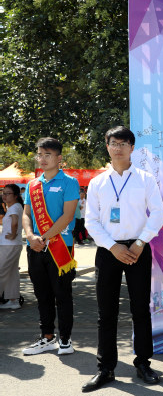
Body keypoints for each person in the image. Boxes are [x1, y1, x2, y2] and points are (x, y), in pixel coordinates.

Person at [82, 126, 163, 392]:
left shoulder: (145, 179)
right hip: (108, 251)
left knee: (141, 309)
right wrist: (112, 246)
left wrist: (141, 242)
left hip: (138, 248)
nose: (118, 148)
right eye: (113, 143)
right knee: (106, 312)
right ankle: (105, 368)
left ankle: (143, 363)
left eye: (123, 143)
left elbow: (158, 213)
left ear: (132, 148)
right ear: (107, 146)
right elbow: (91, 220)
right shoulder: (97, 182)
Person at [21, 137, 79, 355]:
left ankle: (65, 340)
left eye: (48, 154)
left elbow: (68, 216)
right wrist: (30, 236)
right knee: (42, 294)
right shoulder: (32, 185)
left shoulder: (69, 182)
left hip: (60, 246)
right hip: (35, 247)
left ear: (59, 158)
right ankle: (47, 337)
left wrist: (43, 237)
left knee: (62, 295)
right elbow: (26, 214)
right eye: (39, 154)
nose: (42, 159)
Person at [0, 184, 24, 310]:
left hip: (9, 245)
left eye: (7, 193)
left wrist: (13, 234)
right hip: (13, 244)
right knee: (11, 273)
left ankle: (12, 300)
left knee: (2, 271)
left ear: (15, 196)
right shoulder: (16, 206)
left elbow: (14, 222)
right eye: (3, 193)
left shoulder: (14, 207)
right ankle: (13, 301)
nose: (4, 196)